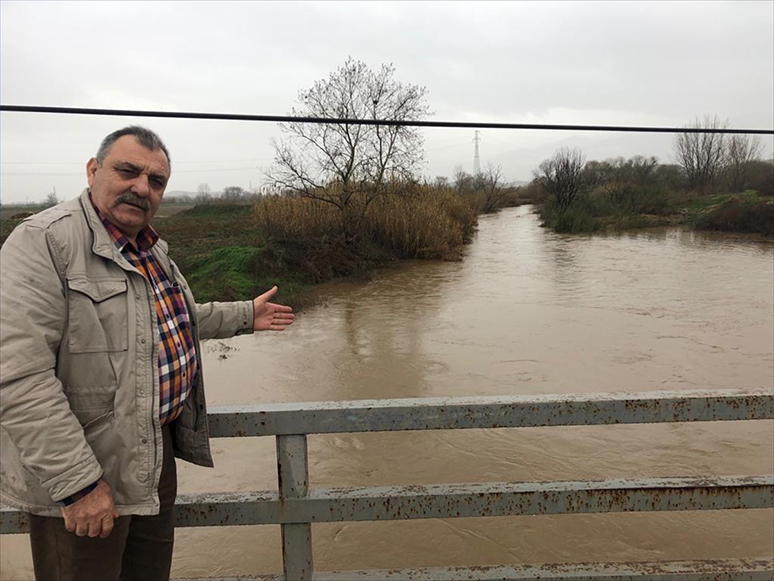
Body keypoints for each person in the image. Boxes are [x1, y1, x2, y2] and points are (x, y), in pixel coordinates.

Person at [0, 126, 295, 581]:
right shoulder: (44, 242)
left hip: (151, 459)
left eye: (156, 181)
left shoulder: (150, 250)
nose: (142, 187)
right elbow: (19, 378)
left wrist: (243, 315)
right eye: (128, 171)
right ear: (93, 170)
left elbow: (170, 323)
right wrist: (77, 484)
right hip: (86, 475)